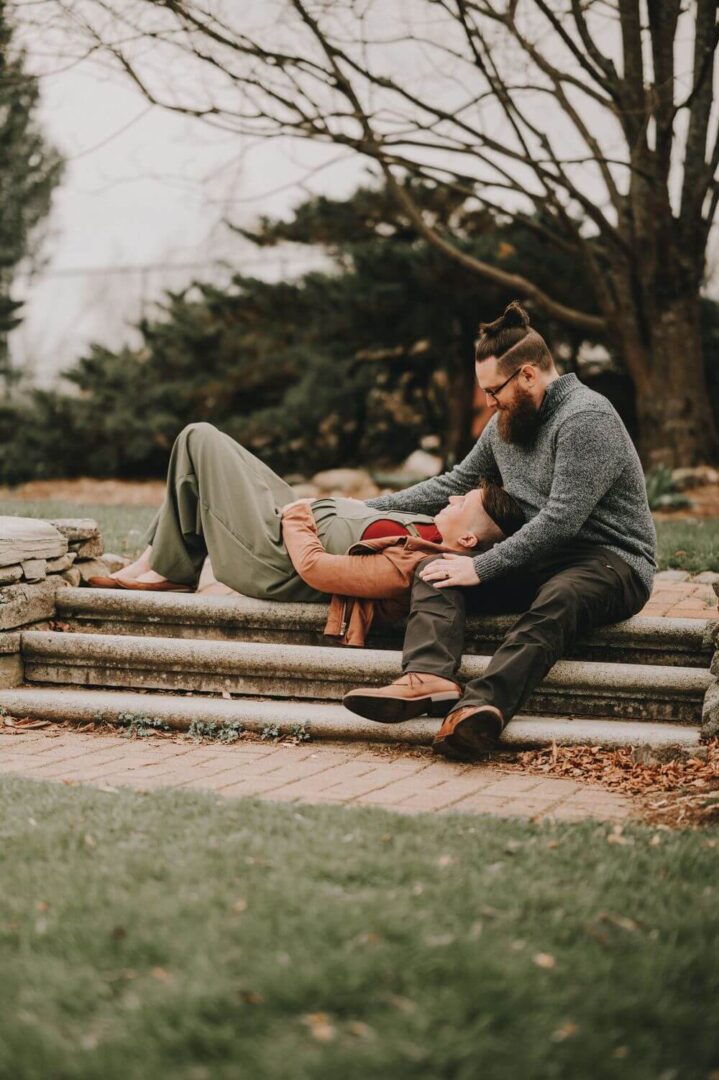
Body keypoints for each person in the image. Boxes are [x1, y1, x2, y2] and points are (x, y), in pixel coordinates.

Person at [343, 301, 657, 760]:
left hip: (612, 560)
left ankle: (481, 710)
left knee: (560, 597)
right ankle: (429, 676)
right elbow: (455, 482)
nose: (488, 401)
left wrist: (484, 567)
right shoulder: (505, 424)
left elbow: (561, 520)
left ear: (528, 375)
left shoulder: (586, 418)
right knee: (434, 568)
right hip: (541, 555)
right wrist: (364, 506)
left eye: (495, 390)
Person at [89, 422, 524, 646]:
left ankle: (160, 565)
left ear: (467, 541)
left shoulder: (416, 560)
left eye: (461, 505)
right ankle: (157, 562)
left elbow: (317, 570)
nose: (451, 501)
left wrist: (299, 516)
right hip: (294, 520)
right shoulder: (427, 526)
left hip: (276, 556)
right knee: (213, 459)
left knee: (198, 438)